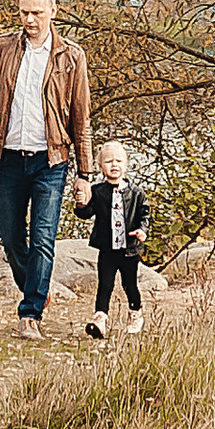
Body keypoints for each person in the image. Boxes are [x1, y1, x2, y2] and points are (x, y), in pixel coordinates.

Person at [0, 0, 93, 339]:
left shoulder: (71, 57)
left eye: (36, 12)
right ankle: (36, 286)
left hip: (51, 160)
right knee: (10, 235)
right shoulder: (1, 50)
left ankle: (30, 312)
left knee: (44, 236)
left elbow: (81, 119)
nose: (29, 19)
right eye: (23, 12)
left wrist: (85, 173)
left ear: (53, 12)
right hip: (10, 158)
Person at [76, 140, 148, 338]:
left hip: (129, 249)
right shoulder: (98, 191)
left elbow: (144, 214)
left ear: (126, 164)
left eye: (118, 161)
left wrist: (142, 231)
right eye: (108, 161)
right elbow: (87, 214)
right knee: (105, 284)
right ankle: (100, 319)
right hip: (107, 249)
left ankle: (135, 313)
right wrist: (82, 204)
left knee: (129, 284)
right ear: (100, 167)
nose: (114, 165)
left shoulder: (136, 193)